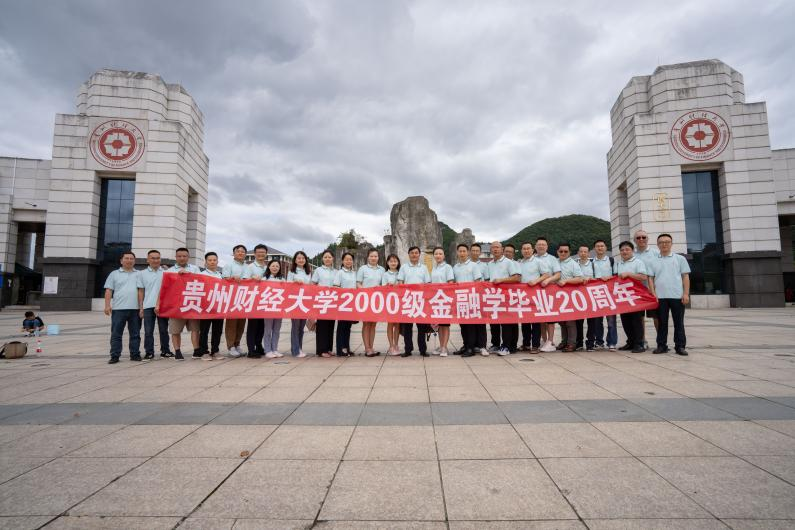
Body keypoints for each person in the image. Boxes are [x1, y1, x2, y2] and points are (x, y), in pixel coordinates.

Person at [159, 247, 201, 360]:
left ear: (188, 257)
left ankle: (196, 350)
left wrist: (189, 275)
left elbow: (201, 282)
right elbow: (164, 289)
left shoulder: (195, 269)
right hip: (176, 306)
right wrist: (159, 304)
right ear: (176, 257)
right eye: (179, 256)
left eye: (184, 256)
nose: (182, 258)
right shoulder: (169, 271)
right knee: (175, 330)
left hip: (192, 304)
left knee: (195, 329)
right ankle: (177, 351)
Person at [652, 233, 690, 356]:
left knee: (679, 322)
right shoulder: (653, 260)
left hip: (677, 296)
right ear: (657, 244)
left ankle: (680, 346)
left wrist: (686, 294)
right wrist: (653, 294)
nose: (664, 244)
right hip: (660, 297)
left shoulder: (680, 259)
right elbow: (650, 278)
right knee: (662, 323)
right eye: (661, 242)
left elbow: (685, 276)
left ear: (671, 243)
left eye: (667, 242)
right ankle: (661, 345)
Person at [103, 251, 141, 364]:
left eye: (131, 258)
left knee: (135, 334)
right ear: (121, 261)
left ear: (134, 261)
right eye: (126, 258)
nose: (129, 260)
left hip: (135, 309)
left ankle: (135, 354)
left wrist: (142, 307)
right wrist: (107, 305)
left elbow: (142, 290)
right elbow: (109, 290)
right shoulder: (114, 274)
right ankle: (115, 355)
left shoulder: (139, 274)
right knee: (116, 334)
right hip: (118, 309)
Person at [614, 241, 649, 353]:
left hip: (636, 297)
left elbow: (643, 277)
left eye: (627, 249)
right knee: (626, 321)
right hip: (623, 297)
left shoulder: (638, 262)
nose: (624, 252)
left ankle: (639, 344)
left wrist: (629, 274)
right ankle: (631, 342)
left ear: (632, 250)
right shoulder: (618, 264)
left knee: (637, 321)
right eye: (622, 250)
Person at [487, 241, 521, 355]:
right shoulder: (490, 264)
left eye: (497, 247)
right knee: (494, 323)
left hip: (506, 297)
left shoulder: (508, 262)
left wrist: (501, 280)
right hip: (493, 297)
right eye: (493, 248)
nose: (495, 249)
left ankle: (506, 346)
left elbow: (516, 278)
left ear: (502, 249)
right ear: (490, 250)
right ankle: (495, 344)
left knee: (506, 323)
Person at [137, 249, 171, 360]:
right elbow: (141, 291)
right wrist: (141, 307)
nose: (156, 260)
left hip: (163, 306)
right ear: (148, 260)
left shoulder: (166, 272)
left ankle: (165, 351)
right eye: (153, 258)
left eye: (158, 258)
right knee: (148, 331)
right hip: (147, 306)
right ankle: (149, 352)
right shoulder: (142, 273)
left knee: (163, 330)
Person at [398, 246, 431, 357]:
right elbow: (400, 282)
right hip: (407, 300)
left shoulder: (424, 268)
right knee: (407, 327)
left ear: (419, 254)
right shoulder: (404, 267)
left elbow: (427, 283)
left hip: (420, 300)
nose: (414, 255)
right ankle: (408, 349)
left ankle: (423, 349)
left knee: (421, 327)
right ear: (409, 254)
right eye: (412, 253)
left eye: (416, 253)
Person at [518, 242, 549, 353]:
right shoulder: (519, 263)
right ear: (521, 251)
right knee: (525, 322)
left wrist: (536, 281)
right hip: (523, 296)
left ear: (532, 250)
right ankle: (526, 344)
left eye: (528, 248)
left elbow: (546, 274)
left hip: (535, 295)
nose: (526, 251)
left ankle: (535, 345)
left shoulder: (538, 261)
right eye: (524, 249)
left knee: (536, 322)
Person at [453, 243, 482, 357]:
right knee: (463, 325)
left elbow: (478, 282)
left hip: (471, 299)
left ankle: (471, 348)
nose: (462, 253)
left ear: (468, 252)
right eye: (460, 251)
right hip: (460, 300)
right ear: (457, 252)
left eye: (464, 251)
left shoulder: (474, 266)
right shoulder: (455, 267)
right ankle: (465, 345)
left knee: (470, 325)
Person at [555, 242, 585, 352]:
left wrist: (566, 281)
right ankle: (564, 341)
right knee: (562, 321)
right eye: (561, 251)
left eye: (565, 251)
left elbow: (580, 278)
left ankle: (572, 343)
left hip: (570, 296)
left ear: (569, 252)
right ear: (557, 252)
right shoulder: (555, 262)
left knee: (570, 321)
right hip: (557, 296)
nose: (563, 253)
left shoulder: (573, 264)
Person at [635, 229, 661, 348]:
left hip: (653, 291)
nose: (641, 239)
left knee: (657, 317)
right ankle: (643, 341)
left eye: (643, 237)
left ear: (647, 239)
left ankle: (661, 341)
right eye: (638, 237)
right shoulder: (632, 254)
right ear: (635, 240)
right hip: (637, 291)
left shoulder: (656, 253)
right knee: (640, 318)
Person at [535, 237, 562, 352]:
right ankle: (544, 340)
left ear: (546, 247)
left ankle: (550, 341)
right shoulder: (532, 258)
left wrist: (548, 280)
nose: (541, 246)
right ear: (535, 246)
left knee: (550, 318)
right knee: (540, 318)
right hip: (536, 292)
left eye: (543, 244)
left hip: (549, 291)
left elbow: (558, 274)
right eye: (539, 244)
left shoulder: (552, 259)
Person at [357, 248, 385, 357]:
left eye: (375, 256)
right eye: (371, 256)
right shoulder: (363, 269)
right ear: (368, 257)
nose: (373, 258)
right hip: (365, 300)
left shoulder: (382, 269)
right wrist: (365, 291)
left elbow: (383, 284)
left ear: (378, 257)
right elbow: (358, 283)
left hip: (377, 301)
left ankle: (371, 347)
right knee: (366, 324)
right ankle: (367, 348)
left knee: (373, 324)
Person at [222, 244, 248, 357]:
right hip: (232, 298)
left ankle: (237, 344)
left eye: (243, 251)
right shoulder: (229, 265)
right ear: (234, 253)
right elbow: (224, 280)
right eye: (238, 251)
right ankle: (231, 346)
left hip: (244, 298)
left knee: (241, 324)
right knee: (231, 324)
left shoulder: (247, 266)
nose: (240, 253)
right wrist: (232, 278)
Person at [243, 244, 269, 358]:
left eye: (263, 252)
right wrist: (252, 278)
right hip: (253, 299)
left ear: (266, 254)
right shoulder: (250, 267)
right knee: (252, 325)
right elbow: (244, 281)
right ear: (254, 254)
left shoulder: (267, 267)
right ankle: (251, 349)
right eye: (259, 252)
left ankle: (258, 346)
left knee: (261, 325)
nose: (261, 254)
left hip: (264, 299)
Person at [591, 240, 617, 351]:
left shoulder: (611, 260)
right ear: (594, 248)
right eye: (597, 246)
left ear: (606, 248)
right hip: (596, 294)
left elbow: (616, 275)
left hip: (609, 294)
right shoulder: (592, 262)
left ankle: (612, 342)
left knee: (611, 321)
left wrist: (609, 278)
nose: (600, 248)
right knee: (597, 321)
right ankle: (599, 342)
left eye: (602, 246)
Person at [430, 246, 455, 356]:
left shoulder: (448, 267)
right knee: (439, 324)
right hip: (436, 300)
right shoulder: (434, 268)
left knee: (445, 324)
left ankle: (444, 347)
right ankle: (441, 346)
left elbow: (450, 282)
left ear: (444, 256)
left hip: (445, 299)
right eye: (436, 254)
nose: (438, 255)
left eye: (440, 254)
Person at [312, 250, 337, 358]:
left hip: (333, 301)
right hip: (322, 300)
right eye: (325, 257)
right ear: (322, 259)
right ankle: (321, 350)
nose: (327, 259)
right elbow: (313, 284)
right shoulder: (318, 270)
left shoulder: (336, 271)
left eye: (329, 257)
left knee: (331, 325)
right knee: (322, 326)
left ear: (333, 259)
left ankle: (328, 348)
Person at [198, 252, 223, 360]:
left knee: (217, 330)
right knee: (204, 330)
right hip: (205, 307)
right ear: (206, 262)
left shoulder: (220, 275)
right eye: (210, 260)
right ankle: (204, 351)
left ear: (217, 261)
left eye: (214, 260)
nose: (212, 262)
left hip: (218, 307)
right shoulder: (201, 275)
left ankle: (215, 350)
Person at [287, 251, 311, 358]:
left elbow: (310, 286)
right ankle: (295, 350)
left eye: (303, 258)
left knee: (301, 327)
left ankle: (299, 348)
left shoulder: (308, 272)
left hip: (305, 301)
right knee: (295, 327)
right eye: (299, 258)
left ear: (305, 260)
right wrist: (295, 282)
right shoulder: (292, 272)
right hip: (295, 301)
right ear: (295, 260)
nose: (301, 260)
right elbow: (287, 285)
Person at [576, 245, 598, 352]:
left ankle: (590, 343)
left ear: (588, 253)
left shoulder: (593, 264)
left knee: (592, 322)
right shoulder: (574, 264)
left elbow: (598, 279)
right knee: (578, 322)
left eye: (585, 252)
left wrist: (590, 278)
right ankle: (579, 343)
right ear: (578, 253)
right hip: (577, 296)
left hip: (590, 296)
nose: (583, 253)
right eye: (581, 251)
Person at [334, 252, 357, 357]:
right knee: (341, 327)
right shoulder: (340, 273)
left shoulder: (354, 273)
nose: (348, 261)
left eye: (350, 259)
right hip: (342, 303)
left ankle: (347, 347)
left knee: (348, 327)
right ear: (342, 261)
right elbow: (336, 286)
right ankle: (340, 349)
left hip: (351, 303)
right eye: (346, 259)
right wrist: (346, 292)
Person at [262, 259, 285, 359]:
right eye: (273, 266)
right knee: (268, 330)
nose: (275, 268)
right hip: (268, 308)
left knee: (276, 330)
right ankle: (268, 350)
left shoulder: (282, 279)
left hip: (279, 307)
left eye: (277, 266)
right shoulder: (264, 279)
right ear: (269, 267)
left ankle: (275, 349)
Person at [470, 243, 489, 353]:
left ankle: (482, 346)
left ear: (480, 252)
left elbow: (487, 281)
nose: (475, 252)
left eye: (477, 251)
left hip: (480, 298)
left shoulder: (484, 266)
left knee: (481, 322)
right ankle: (470, 345)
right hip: (467, 298)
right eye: (473, 250)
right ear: (470, 252)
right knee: (468, 324)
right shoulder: (463, 265)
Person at [381, 253, 402, 356]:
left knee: (397, 324)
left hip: (399, 301)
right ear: (387, 263)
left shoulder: (401, 273)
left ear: (398, 263)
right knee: (390, 324)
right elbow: (383, 287)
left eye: (395, 261)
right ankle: (391, 346)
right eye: (391, 261)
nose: (393, 263)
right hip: (389, 302)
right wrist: (389, 286)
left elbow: (403, 285)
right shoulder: (385, 274)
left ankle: (396, 344)